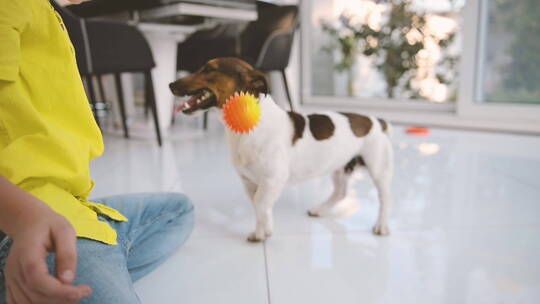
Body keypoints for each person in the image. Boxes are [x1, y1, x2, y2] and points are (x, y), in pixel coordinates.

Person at [0, 0, 195, 303]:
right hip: (21, 223)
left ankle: (90, 260)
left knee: (178, 211)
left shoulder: (44, 10)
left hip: (64, 208)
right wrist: (24, 217)